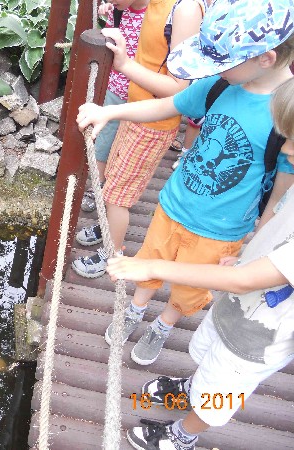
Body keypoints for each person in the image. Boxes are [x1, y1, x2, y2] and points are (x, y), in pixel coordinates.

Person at [76, 0, 294, 366]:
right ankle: (136, 308)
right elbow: (169, 105)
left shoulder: (286, 114)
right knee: (149, 261)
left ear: (265, 59)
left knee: (190, 288)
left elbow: (279, 197)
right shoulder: (220, 85)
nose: (214, 69)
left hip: (222, 229)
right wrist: (111, 111)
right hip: (173, 204)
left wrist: (253, 249)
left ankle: (164, 324)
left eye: (222, 61)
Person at [105, 76, 294, 450]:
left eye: (293, 139)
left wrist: (153, 268)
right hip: (239, 307)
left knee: (224, 387)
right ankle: (193, 387)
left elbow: (248, 279)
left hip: (262, 334)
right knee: (211, 357)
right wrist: (249, 252)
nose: (285, 147)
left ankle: (183, 434)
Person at [71, 0, 206, 269]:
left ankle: (112, 254)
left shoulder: (185, 9)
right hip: (135, 110)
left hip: (153, 123)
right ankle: (107, 228)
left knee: (118, 196)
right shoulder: (151, 5)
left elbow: (181, 90)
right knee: (113, 181)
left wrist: (124, 65)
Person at [80, 0, 149, 215]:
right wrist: (110, 12)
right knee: (104, 140)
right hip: (116, 90)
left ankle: (117, 189)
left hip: (143, 94)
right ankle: (96, 186)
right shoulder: (119, 10)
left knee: (128, 145)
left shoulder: (158, 17)